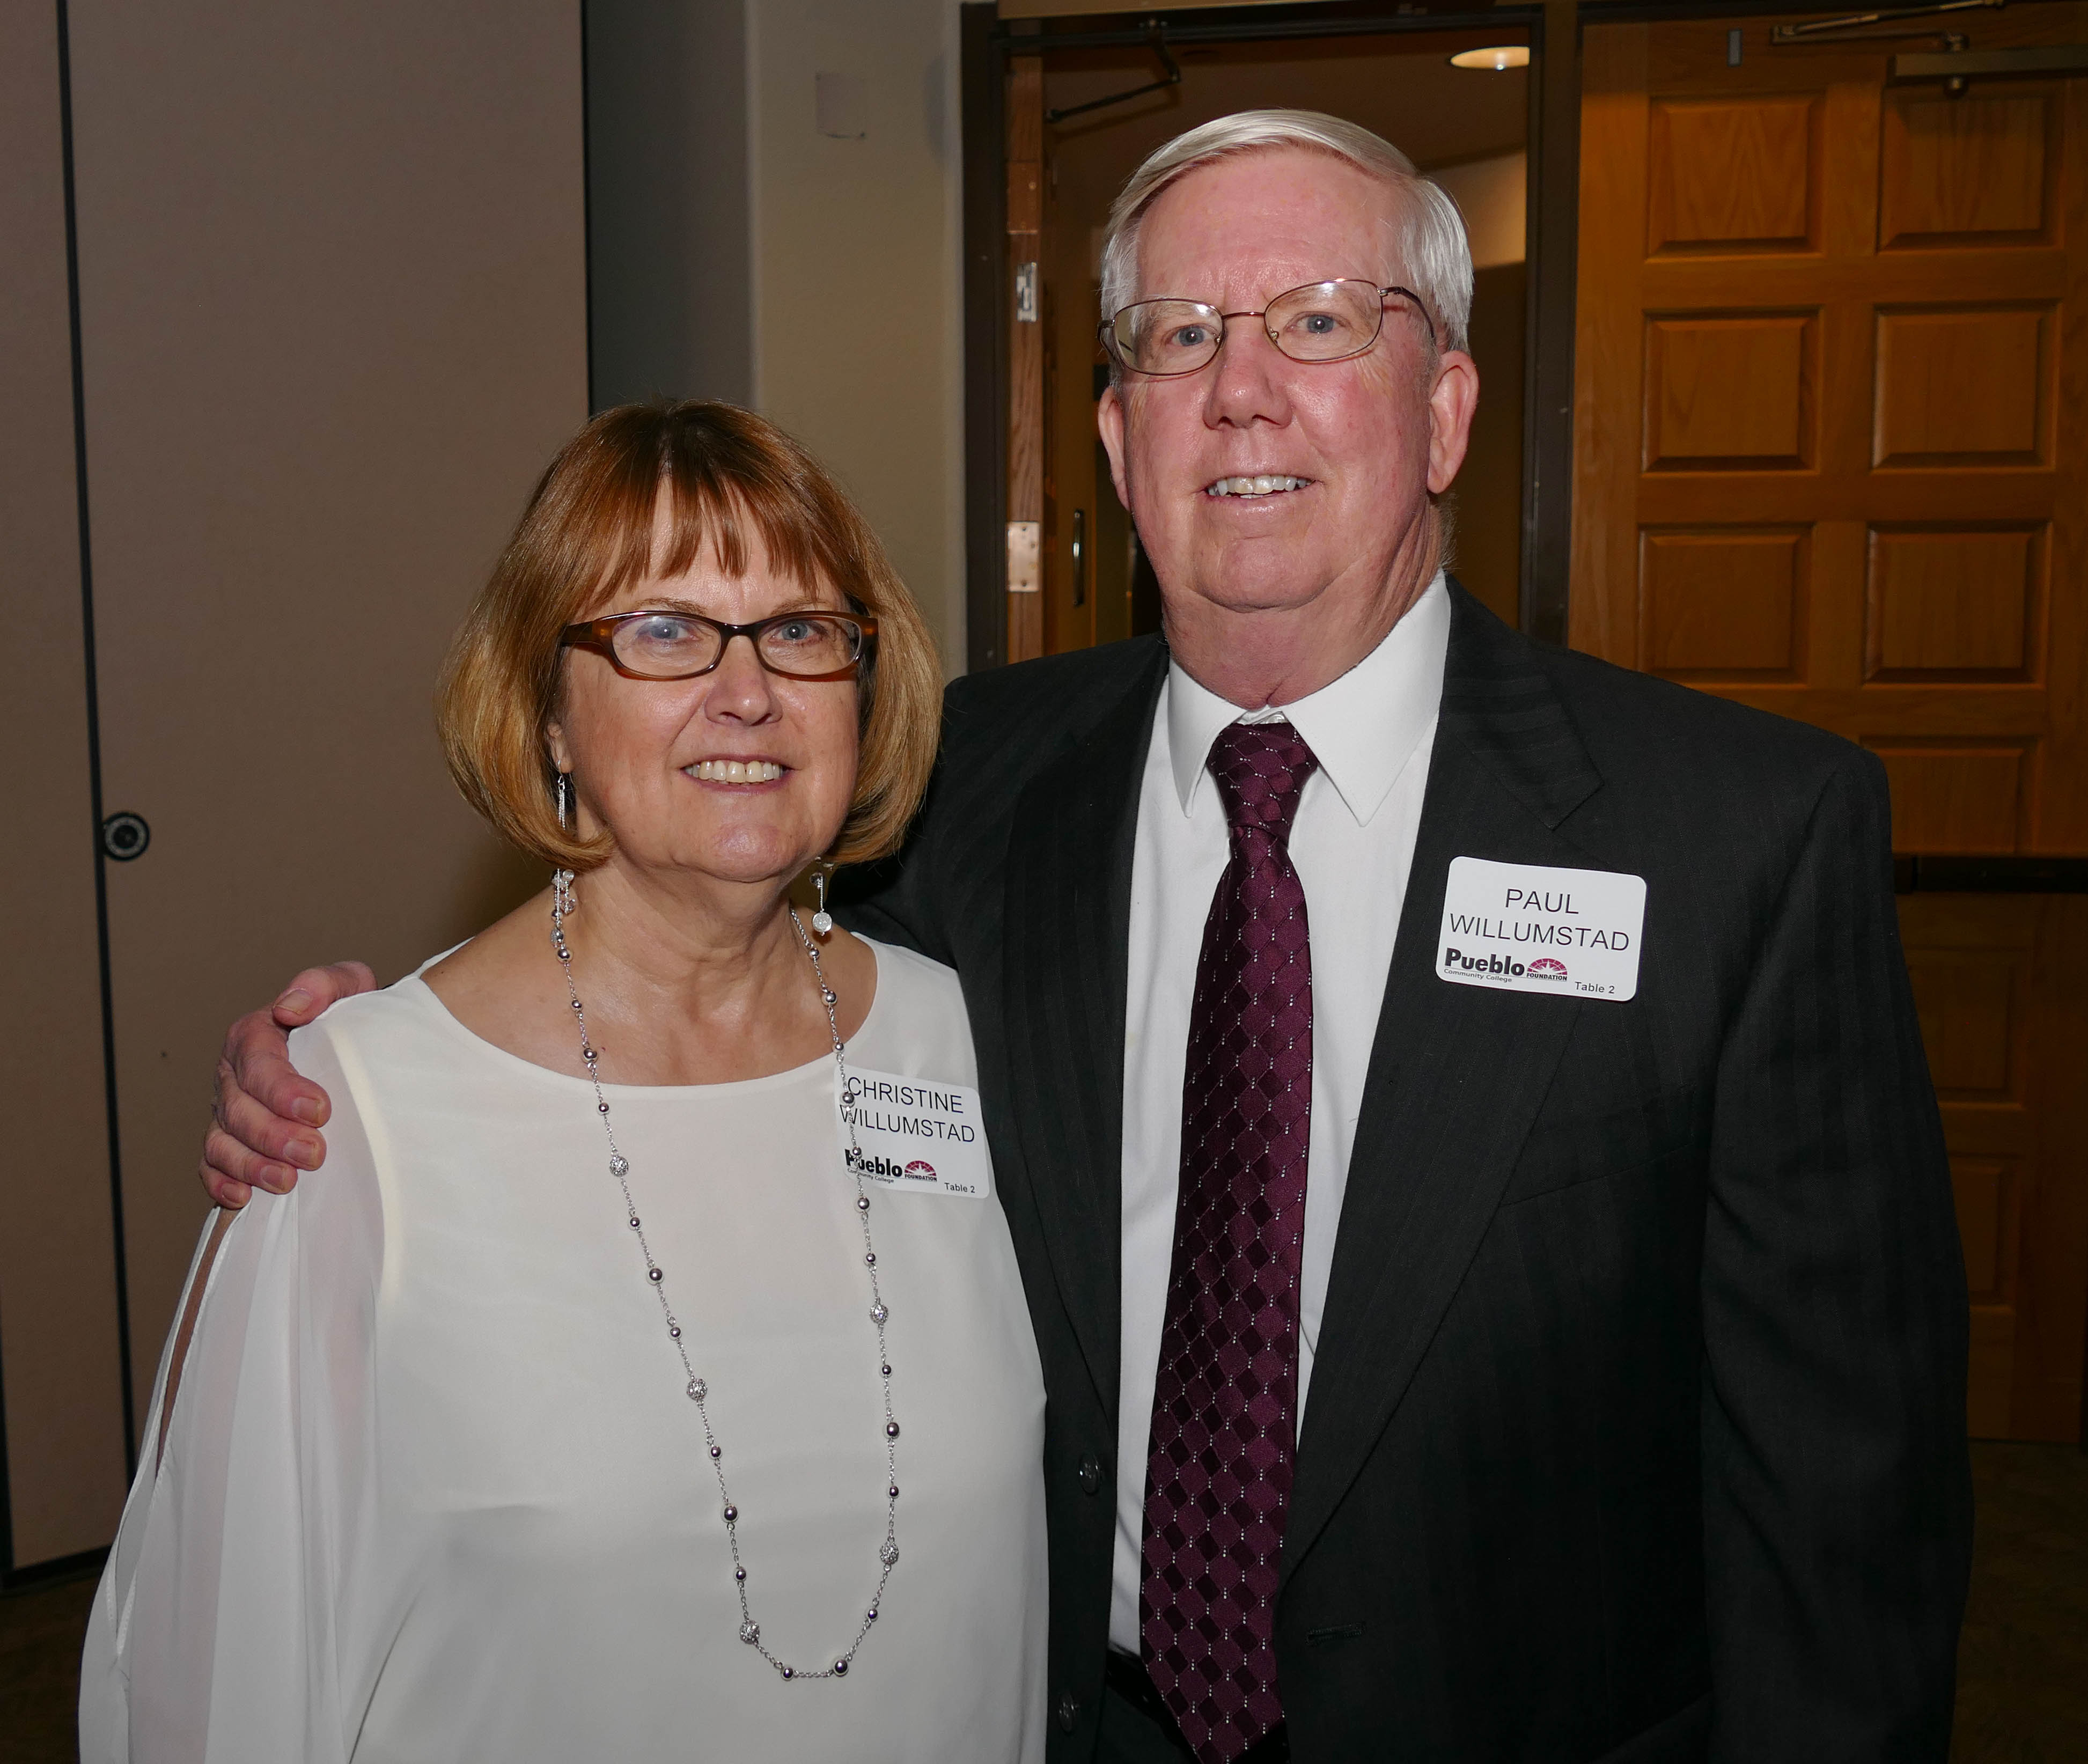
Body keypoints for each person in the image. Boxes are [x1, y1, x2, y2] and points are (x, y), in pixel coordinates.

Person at [201, 112, 1972, 1763]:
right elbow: (698, 934)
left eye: (1322, 321)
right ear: (1118, 441)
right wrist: (382, 1058)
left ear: (1442, 407)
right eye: (1180, 338)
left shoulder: (1735, 839)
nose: (1243, 393)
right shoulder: (965, 787)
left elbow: (1843, 1503)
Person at [82, 402, 1048, 1762]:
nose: (747, 688)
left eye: (799, 630)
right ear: (546, 713)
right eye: (659, 631)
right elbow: (215, 1674)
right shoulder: (354, 1120)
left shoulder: (961, 1042)